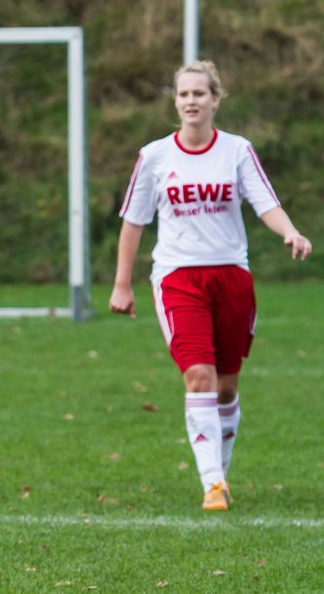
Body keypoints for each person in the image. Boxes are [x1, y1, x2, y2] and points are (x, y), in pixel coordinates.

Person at [111, 60, 311, 511]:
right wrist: (122, 285)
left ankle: (220, 474)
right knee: (198, 375)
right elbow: (133, 223)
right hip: (178, 278)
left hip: (231, 277)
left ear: (215, 99)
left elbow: (265, 202)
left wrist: (290, 231)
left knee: (225, 386)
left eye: (199, 93)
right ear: (175, 101)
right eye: (183, 94)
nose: (191, 101)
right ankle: (212, 484)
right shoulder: (155, 157)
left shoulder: (237, 151)